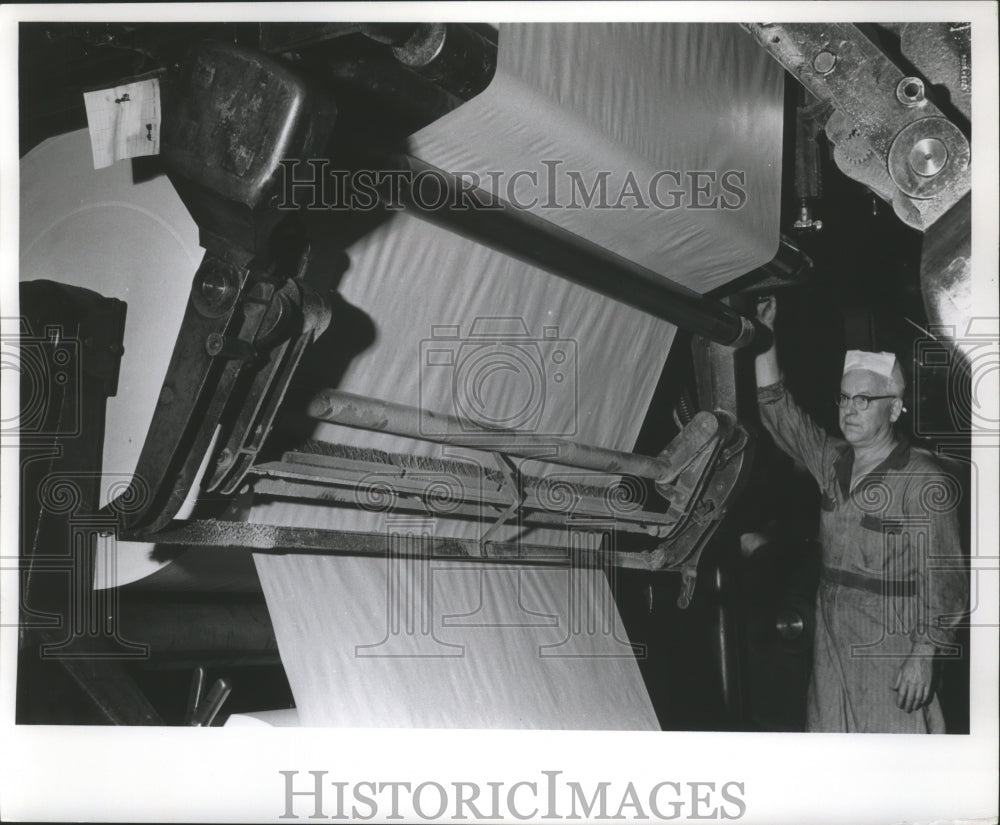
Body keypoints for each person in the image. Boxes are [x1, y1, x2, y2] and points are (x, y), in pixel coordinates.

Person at [753, 295, 967, 733]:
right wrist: (765, 338)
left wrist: (923, 656)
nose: (849, 409)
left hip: (888, 638)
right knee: (834, 747)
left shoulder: (922, 480)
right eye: (845, 398)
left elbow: (944, 577)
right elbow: (778, 410)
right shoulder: (831, 460)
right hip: (831, 633)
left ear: (894, 407)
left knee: (896, 760)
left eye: (864, 400)